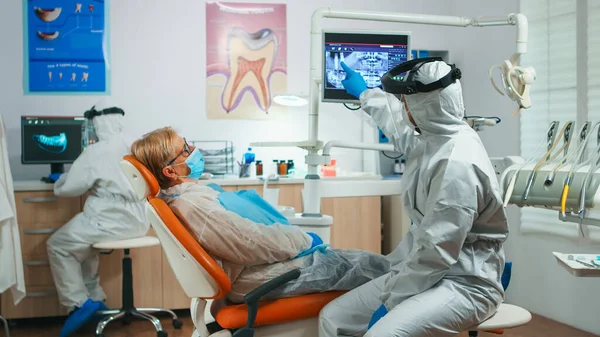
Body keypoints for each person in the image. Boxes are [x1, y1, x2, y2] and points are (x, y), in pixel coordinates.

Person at [318, 59, 509, 337]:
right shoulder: (434, 137)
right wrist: (364, 92)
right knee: (334, 318)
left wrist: (393, 299)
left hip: (464, 283)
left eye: (406, 102)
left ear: (422, 108)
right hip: (422, 272)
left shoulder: (457, 165)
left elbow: (437, 252)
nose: (402, 108)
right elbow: (398, 127)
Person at [130, 127, 391, 303]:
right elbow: (253, 244)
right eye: (185, 150)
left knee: (368, 263)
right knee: (374, 268)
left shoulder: (186, 196)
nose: (194, 149)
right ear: (170, 172)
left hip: (263, 269)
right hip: (264, 278)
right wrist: (301, 239)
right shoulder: (194, 207)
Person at [47, 100, 148, 337]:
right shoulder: (136, 143)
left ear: (97, 122)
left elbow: (71, 187)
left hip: (110, 219)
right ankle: (95, 299)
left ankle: (80, 303)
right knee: (84, 246)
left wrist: (59, 181)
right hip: (140, 221)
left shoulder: (96, 151)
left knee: (58, 245)